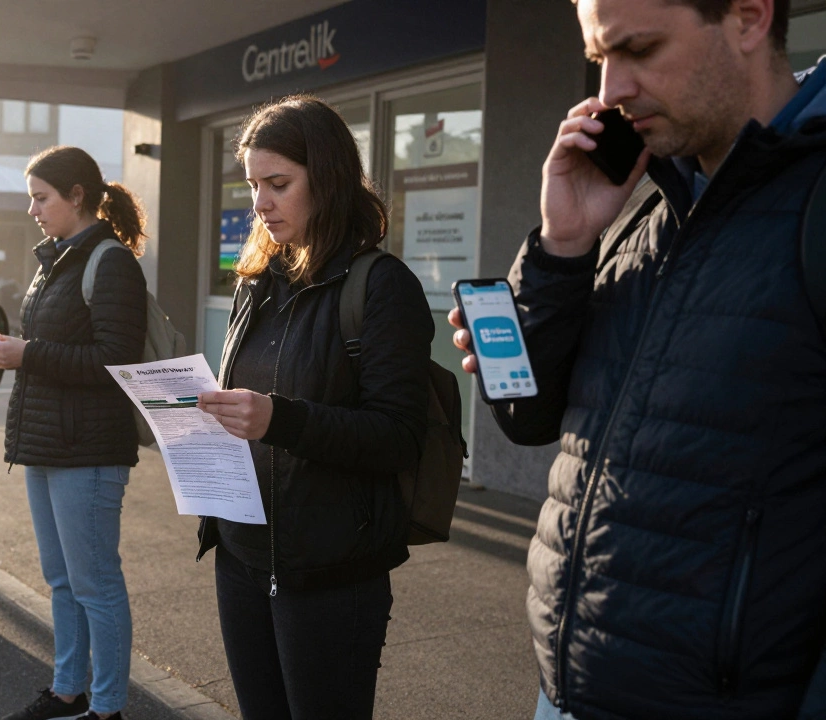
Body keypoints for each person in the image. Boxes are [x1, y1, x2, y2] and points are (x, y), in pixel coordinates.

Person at [448, 1, 826, 717]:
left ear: (747, 19)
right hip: (566, 691)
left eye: (640, 49)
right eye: (598, 59)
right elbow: (528, 417)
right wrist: (563, 247)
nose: (610, 89)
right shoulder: (643, 214)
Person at [190, 95, 432, 719]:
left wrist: (280, 419)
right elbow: (241, 405)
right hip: (242, 556)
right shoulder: (255, 283)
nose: (260, 203)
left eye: (278, 184)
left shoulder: (381, 286)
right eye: (251, 186)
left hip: (331, 573)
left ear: (326, 180)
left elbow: (400, 437)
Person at [0, 146, 147, 720]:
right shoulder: (55, 260)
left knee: (96, 584)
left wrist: (27, 353)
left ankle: (106, 708)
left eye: (40, 197)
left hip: (90, 451)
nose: (32, 209)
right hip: (48, 446)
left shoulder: (112, 261)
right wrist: (18, 353)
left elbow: (117, 361)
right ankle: (67, 690)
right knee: (61, 580)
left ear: (76, 196)